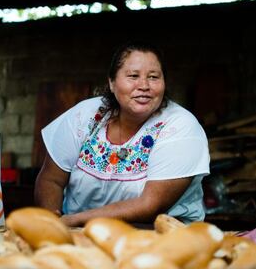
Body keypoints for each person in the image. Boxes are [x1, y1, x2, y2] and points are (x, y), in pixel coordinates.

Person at [35, 41, 210, 227]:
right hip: (79, 238)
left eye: (153, 77)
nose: (144, 85)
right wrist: (52, 226)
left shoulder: (181, 126)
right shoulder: (84, 116)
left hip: (159, 241)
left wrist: (73, 221)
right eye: (133, 76)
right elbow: (50, 180)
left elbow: (149, 205)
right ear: (111, 82)